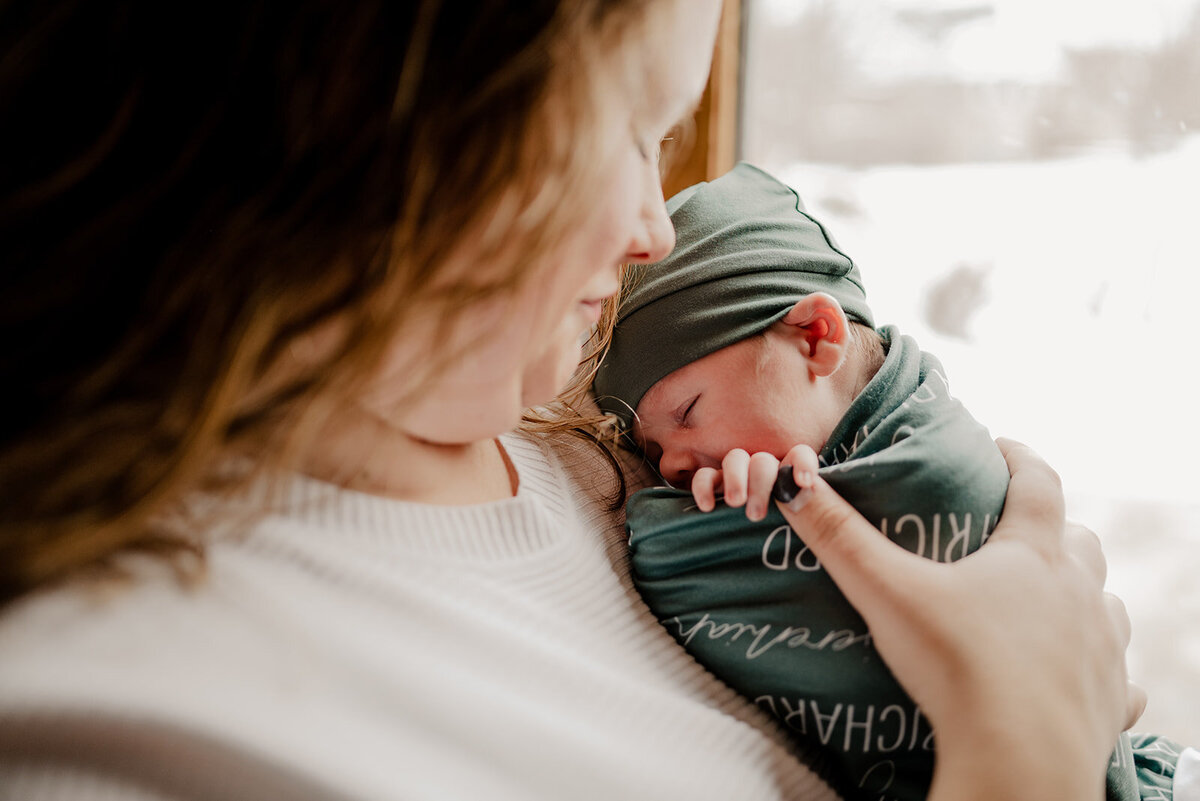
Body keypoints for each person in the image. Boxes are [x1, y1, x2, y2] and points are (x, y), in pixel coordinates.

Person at [0, 2, 1147, 800]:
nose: (656, 230)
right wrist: (1026, 749)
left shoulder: (600, 459)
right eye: (639, 130)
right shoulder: (104, 735)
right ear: (401, 119)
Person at [593, 162, 1194, 801]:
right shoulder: (730, 479)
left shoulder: (922, 436)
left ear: (816, 339)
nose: (672, 469)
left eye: (687, 414)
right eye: (652, 450)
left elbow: (942, 491)